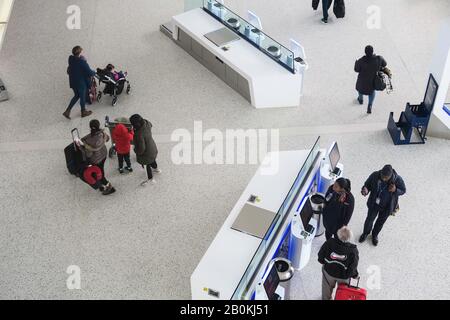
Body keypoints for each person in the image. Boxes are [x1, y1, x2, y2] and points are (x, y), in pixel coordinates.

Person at [359, 165, 406, 246]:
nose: (383, 179)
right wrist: (365, 189)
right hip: (374, 203)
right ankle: (365, 233)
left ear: (390, 175)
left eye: (386, 178)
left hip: (387, 207)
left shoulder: (398, 179)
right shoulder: (375, 175)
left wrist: (395, 190)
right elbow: (367, 184)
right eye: (382, 176)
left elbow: (403, 190)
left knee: (380, 222)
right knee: (369, 220)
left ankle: (375, 235)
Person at [318, 226, 359, 300]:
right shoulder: (353, 250)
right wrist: (355, 275)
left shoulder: (329, 242)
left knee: (326, 289)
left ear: (338, 234)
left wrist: (322, 261)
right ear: (349, 238)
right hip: (343, 276)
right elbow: (353, 266)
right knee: (343, 292)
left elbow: (321, 254)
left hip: (328, 272)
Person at [79, 119, 116, 195]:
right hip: (103, 155)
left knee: (100, 174)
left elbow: (89, 154)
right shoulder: (102, 133)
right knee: (100, 170)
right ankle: (101, 183)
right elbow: (108, 138)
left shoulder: (90, 141)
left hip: (96, 159)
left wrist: (83, 147)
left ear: (90, 127)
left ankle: (109, 187)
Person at [63, 46, 95, 119]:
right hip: (80, 83)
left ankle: (67, 111)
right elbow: (89, 72)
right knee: (82, 97)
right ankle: (83, 112)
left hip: (73, 82)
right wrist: (94, 72)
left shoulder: (70, 59)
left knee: (76, 95)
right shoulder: (82, 62)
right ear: (79, 53)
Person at [354, 45, 388, 114]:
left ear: (365, 52)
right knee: (371, 92)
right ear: (372, 52)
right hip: (372, 81)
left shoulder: (361, 60)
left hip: (362, 80)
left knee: (360, 89)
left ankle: (360, 100)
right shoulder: (379, 59)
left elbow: (356, 69)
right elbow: (385, 64)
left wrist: (356, 63)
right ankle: (370, 105)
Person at [129, 114, 160, 186]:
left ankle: (150, 179)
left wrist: (135, 150)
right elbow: (151, 125)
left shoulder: (138, 134)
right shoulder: (146, 123)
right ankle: (156, 169)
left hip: (146, 154)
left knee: (147, 166)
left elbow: (141, 149)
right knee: (153, 159)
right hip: (152, 147)